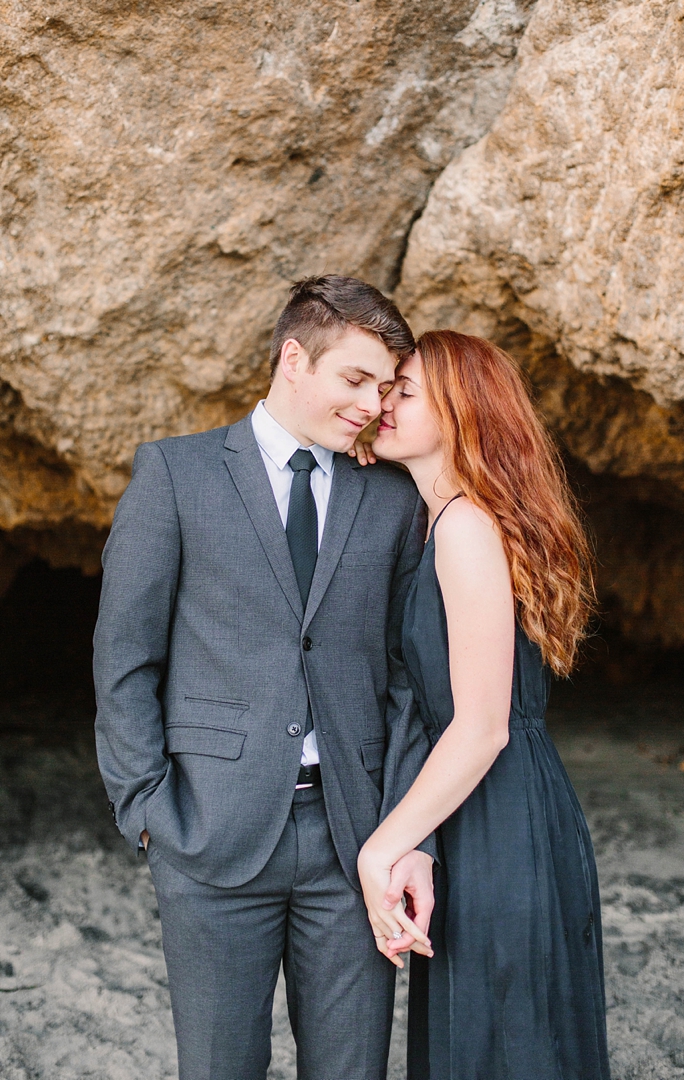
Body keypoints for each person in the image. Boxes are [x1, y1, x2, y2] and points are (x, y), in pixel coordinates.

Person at [93, 275, 436, 1080]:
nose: (370, 404)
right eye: (354, 379)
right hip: (206, 831)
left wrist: (402, 830)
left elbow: (407, 675)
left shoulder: (391, 498)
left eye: (384, 388)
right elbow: (125, 656)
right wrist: (144, 806)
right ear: (293, 358)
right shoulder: (176, 476)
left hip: (355, 843)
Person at [354, 330, 611, 1079]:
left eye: (406, 391)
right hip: (493, 809)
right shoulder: (446, 516)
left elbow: (482, 727)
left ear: (462, 411)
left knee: (504, 1037)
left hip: (500, 815)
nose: (384, 403)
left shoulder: (466, 527)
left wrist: (382, 847)